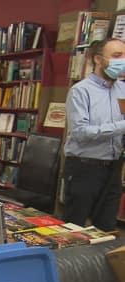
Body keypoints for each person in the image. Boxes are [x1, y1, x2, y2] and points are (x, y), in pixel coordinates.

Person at [63, 37, 125, 231]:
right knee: (75, 228)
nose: (122, 60)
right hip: (84, 168)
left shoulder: (123, 89)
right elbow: (81, 132)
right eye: (117, 55)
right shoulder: (80, 91)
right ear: (98, 59)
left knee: (106, 227)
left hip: (113, 169)